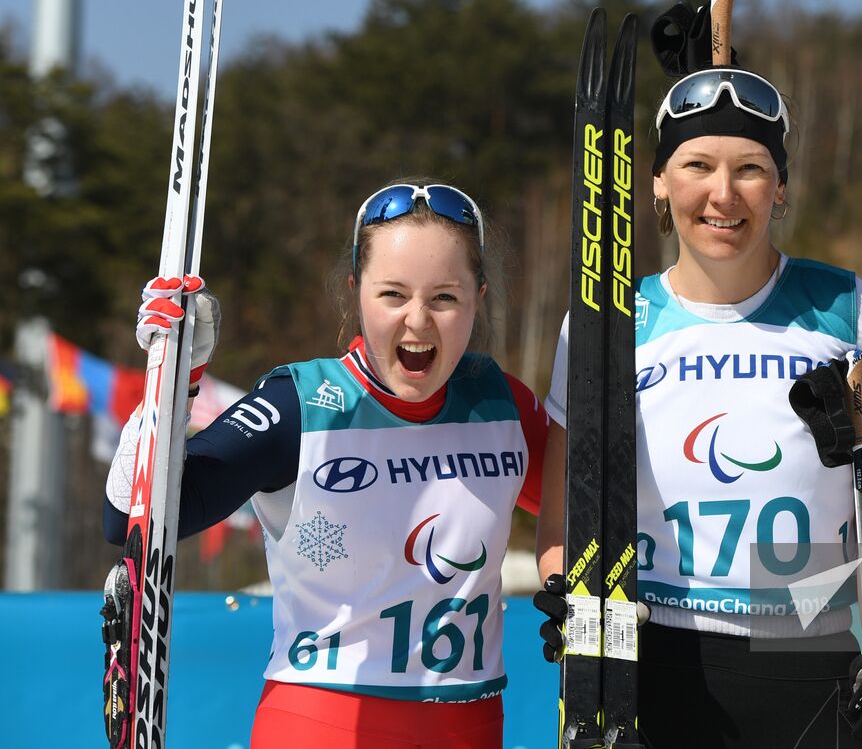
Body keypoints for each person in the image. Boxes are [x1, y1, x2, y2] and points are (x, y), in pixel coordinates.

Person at [533, 2, 862, 748]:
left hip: (810, 650)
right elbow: (562, 519)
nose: (724, 194)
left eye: (751, 169)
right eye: (697, 166)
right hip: (657, 655)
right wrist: (569, 597)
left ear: (780, 188)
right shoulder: (609, 319)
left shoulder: (840, 305)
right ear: (655, 184)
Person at [103, 182, 547, 749]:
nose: (418, 321)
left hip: (470, 725)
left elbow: (591, 512)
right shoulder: (301, 404)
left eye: (444, 298)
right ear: (355, 292)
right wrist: (167, 388)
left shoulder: (501, 403)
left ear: (478, 298)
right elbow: (129, 521)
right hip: (322, 725)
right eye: (392, 295)